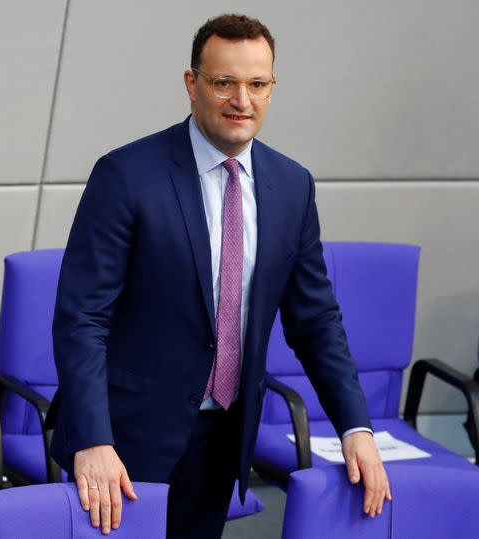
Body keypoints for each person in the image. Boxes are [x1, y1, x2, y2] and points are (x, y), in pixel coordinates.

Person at [49, 13, 391, 539]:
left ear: (272, 88)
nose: (242, 100)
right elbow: (82, 319)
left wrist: (355, 425)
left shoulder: (291, 185)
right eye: (223, 82)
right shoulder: (126, 175)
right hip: (122, 443)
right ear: (192, 84)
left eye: (257, 84)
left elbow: (316, 320)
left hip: (223, 441)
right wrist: (92, 440)